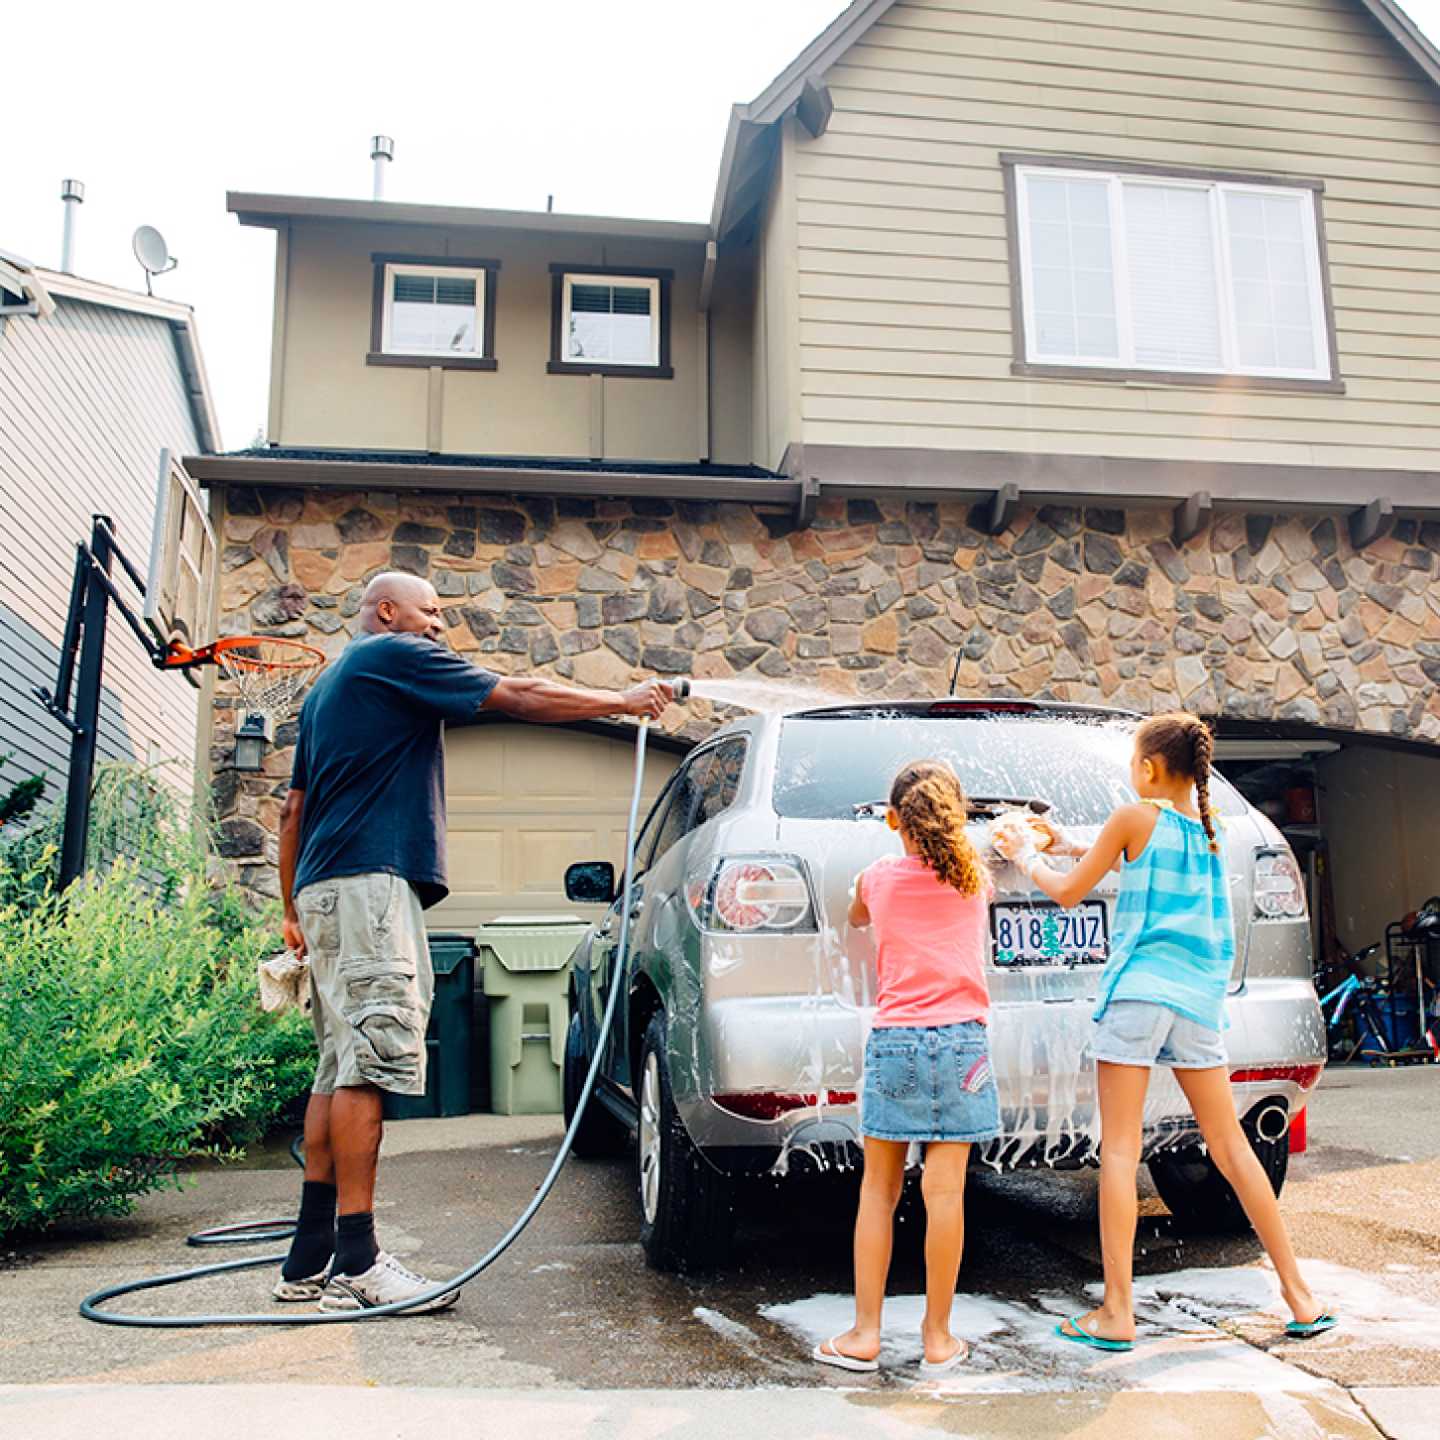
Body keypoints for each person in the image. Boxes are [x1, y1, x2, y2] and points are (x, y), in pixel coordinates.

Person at [275, 572, 671, 1314]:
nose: (438, 626)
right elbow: (515, 695)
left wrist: (292, 907)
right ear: (386, 612)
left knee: (336, 1068)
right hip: (369, 882)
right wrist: (619, 702)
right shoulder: (391, 654)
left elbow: (293, 807)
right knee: (371, 1062)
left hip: (328, 887)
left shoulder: (329, 687)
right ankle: (359, 1261)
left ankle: (308, 1261)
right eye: (429, 611)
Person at [993, 711, 1335, 1350]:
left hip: (1137, 999)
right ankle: (1299, 1295)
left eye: (1132, 764)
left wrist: (1024, 857)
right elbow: (1139, 847)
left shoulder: (1131, 818)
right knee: (1232, 1149)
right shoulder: (1211, 829)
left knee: (1120, 1151)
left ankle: (1116, 1312)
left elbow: (1069, 891)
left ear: (1149, 768)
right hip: (1198, 1004)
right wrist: (1066, 836)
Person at [814, 761, 1000, 1377]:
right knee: (945, 1193)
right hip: (964, 1046)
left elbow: (855, 916)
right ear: (956, 818)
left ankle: (865, 1334)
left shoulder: (877, 880)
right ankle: (939, 1337)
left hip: (896, 1041)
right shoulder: (976, 880)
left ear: (894, 819)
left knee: (879, 1189)